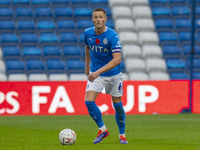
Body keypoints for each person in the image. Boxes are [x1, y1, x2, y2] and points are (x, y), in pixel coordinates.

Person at [84, 8, 128, 144]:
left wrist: (98, 72)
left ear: (105, 19)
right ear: (92, 19)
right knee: (89, 101)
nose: (98, 20)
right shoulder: (87, 33)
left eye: (100, 17)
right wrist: (87, 67)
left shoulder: (112, 36)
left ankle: (122, 135)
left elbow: (117, 60)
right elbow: (87, 47)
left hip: (113, 75)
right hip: (96, 74)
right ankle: (103, 130)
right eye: (95, 17)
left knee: (118, 105)